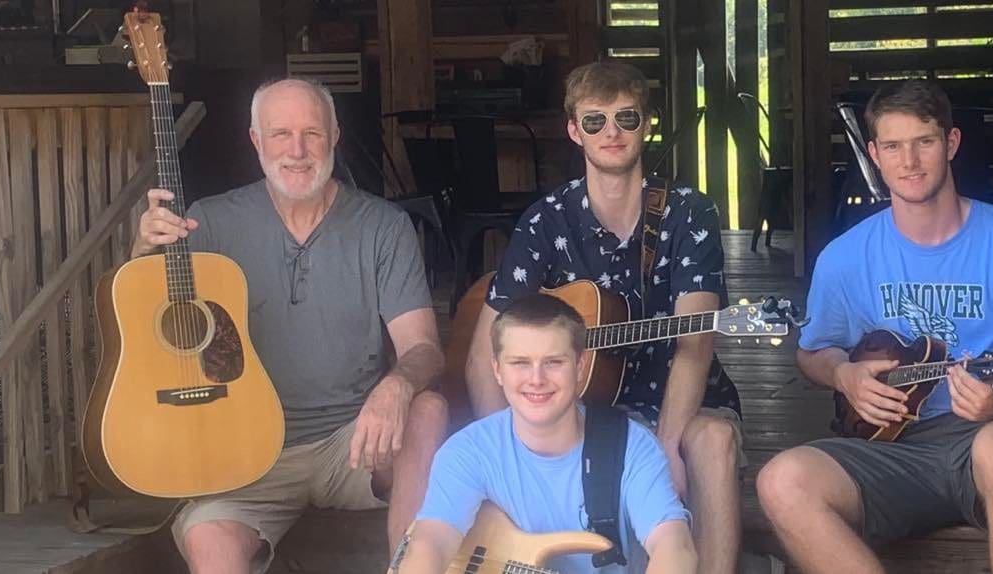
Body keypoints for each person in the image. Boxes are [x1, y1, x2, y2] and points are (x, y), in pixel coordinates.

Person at [756, 79, 993, 574]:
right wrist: (844, 376)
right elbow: (813, 351)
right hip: (892, 448)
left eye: (924, 142)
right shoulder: (845, 257)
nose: (909, 161)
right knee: (781, 480)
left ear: (950, 143)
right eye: (893, 146)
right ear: (874, 154)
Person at [131, 78, 448, 574]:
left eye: (312, 134)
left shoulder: (383, 226)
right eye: (280, 134)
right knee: (209, 542)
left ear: (335, 136)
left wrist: (397, 385)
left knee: (427, 409)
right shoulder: (208, 222)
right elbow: (149, 322)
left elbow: (424, 347)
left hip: (353, 442)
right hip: (245, 453)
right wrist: (145, 251)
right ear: (256, 141)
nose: (297, 151)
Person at [463, 61, 744, 573]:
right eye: (595, 121)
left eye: (626, 118)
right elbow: (488, 348)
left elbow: (695, 343)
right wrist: (499, 453)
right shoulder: (547, 220)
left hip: (677, 405)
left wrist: (668, 444)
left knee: (714, 440)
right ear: (575, 131)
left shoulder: (687, 212)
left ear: (648, 124)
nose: (611, 132)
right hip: (581, 408)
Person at [399, 294, 696, 573]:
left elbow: (674, 545)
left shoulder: (632, 447)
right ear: (497, 370)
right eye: (520, 363)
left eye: (554, 362)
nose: (537, 379)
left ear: (580, 366)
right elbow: (430, 542)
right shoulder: (467, 452)